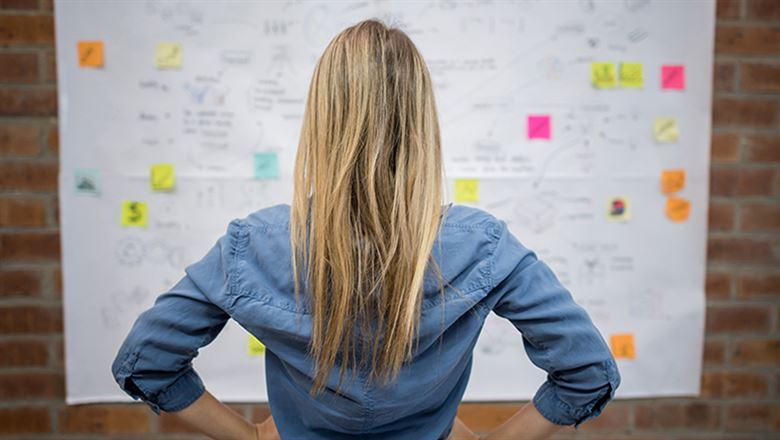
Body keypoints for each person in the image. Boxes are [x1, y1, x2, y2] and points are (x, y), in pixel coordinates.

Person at [111, 18, 620, 440]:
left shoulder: (255, 245)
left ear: (322, 120)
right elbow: (588, 371)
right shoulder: (482, 245)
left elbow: (146, 361)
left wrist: (250, 436)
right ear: (421, 123)